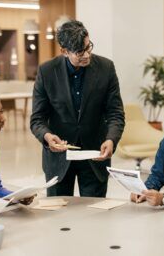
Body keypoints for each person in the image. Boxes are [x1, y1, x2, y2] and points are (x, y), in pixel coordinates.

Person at [30, 20, 125, 197]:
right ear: (64, 51)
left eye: (89, 47)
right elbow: (37, 119)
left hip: (95, 156)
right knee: (58, 216)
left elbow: (115, 113)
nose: (87, 55)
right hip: (58, 158)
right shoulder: (47, 71)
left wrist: (111, 139)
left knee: (94, 216)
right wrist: (47, 137)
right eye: (80, 52)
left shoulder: (106, 68)